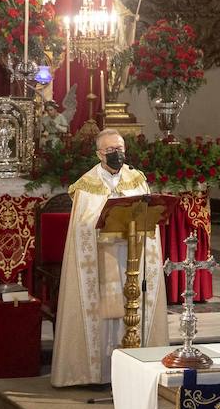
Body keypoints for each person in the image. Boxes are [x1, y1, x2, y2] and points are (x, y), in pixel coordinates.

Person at [51, 128, 169, 387]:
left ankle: (138, 362)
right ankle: (100, 372)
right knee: (105, 314)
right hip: (102, 257)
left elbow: (150, 216)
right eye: (111, 150)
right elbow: (83, 226)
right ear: (99, 154)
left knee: (133, 304)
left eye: (120, 150)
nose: (117, 154)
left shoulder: (137, 179)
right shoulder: (87, 184)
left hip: (132, 253)